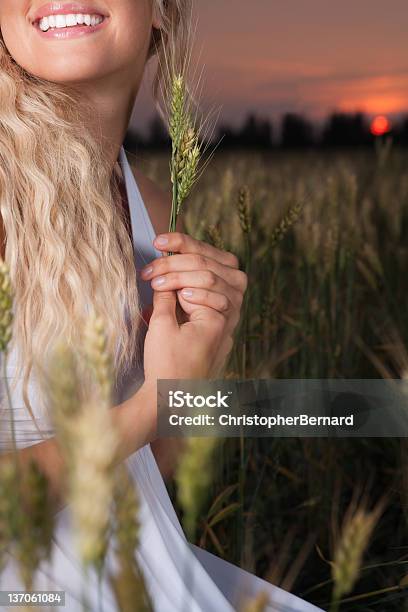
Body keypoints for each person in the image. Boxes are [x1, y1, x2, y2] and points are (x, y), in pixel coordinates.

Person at [0, 1, 322, 610]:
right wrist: (152, 406)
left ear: (159, 10)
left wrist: (197, 370)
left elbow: (147, 477)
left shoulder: (148, 201)